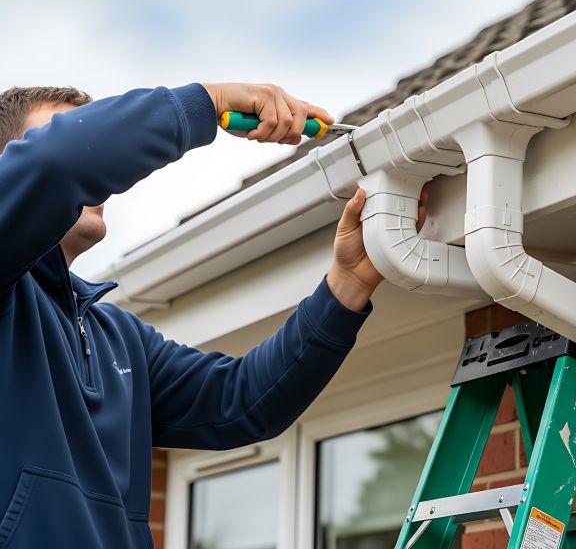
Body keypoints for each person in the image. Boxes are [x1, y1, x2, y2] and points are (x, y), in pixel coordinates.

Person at [0, 82, 421, 548]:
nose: (92, 169)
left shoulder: (116, 337)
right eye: (63, 132)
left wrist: (348, 283)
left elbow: (240, 400)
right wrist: (211, 100)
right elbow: (58, 162)